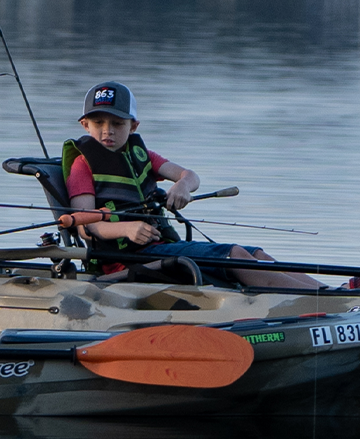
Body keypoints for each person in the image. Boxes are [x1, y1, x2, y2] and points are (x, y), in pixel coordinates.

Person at [61, 81, 323, 290]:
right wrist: (126, 228)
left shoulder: (142, 155)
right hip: (126, 262)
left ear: (133, 126)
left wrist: (182, 186)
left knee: (257, 254)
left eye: (117, 124)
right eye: (99, 123)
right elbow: (86, 226)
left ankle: (333, 293)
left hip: (159, 248)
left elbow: (190, 175)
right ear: (85, 125)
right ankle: (324, 300)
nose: (108, 131)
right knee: (235, 255)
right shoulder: (82, 165)